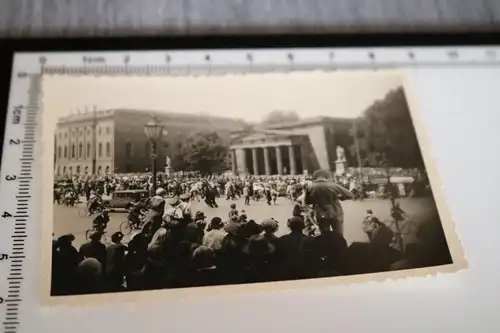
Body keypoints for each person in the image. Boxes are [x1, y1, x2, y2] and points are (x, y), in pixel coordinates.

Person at [304, 169, 354, 236]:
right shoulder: (333, 185)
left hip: (321, 214)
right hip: (335, 213)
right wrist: (341, 198)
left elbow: (307, 201)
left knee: (324, 236)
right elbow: (350, 195)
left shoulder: (310, 186)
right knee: (339, 235)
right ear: (326, 177)